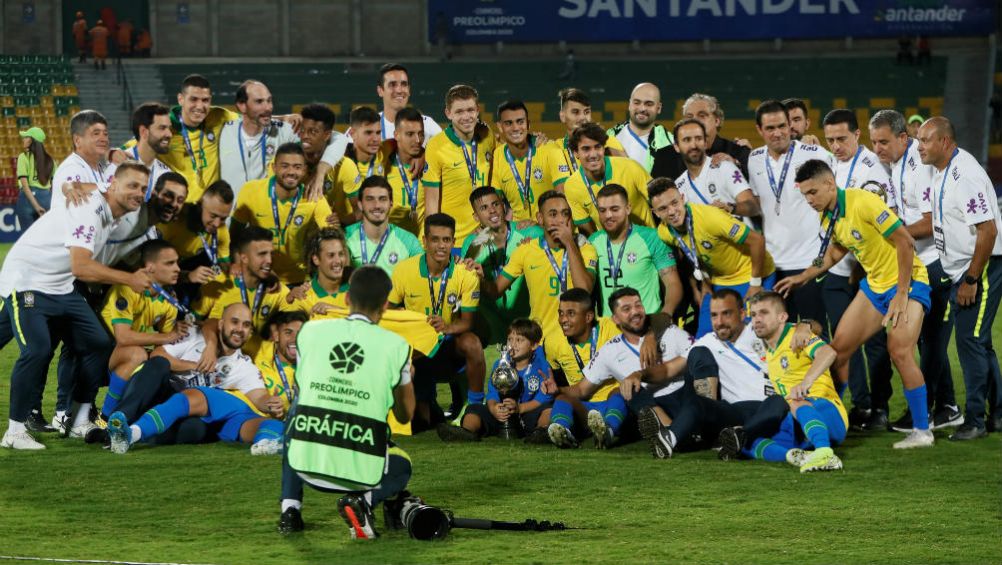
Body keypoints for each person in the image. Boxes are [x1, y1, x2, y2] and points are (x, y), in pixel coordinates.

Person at [775, 159, 934, 449]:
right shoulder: (828, 214)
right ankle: (830, 416)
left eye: (812, 192)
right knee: (837, 350)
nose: (809, 200)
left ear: (829, 184)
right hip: (875, 288)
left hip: (908, 284)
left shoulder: (864, 203)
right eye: (804, 195)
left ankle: (922, 430)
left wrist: (901, 292)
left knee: (899, 351)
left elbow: (905, 242)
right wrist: (804, 276)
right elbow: (835, 252)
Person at [0, 162, 152, 450]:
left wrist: (78, 185)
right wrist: (129, 278)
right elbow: (81, 266)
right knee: (37, 349)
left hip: (59, 286)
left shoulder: (110, 210)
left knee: (96, 342)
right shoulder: (90, 211)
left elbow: (96, 190)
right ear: (114, 186)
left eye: (143, 188)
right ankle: (15, 431)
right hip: (28, 280)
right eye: (132, 185)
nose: (139, 193)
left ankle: (79, 419)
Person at [278, 266, 417, 539]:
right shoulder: (396, 346)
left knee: (297, 411)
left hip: (305, 463)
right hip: (358, 467)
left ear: (345, 299)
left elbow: (304, 387)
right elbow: (405, 415)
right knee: (402, 464)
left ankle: (290, 509)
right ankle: (363, 501)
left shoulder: (309, 333)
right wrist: (404, 380)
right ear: (385, 305)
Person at [869, 109, 961, 430]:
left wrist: (894, 233)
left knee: (929, 342)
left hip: (936, 264)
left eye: (883, 142)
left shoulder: (916, 168)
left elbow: (929, 221)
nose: (877, 149)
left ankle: (932, 405)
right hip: (921, 262)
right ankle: (947, 406)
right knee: (925, 342)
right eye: (874, 142)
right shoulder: (896, 164)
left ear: (903, 138)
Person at [106, 302, 285, 455]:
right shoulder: (193, 335)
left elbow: (259, 396)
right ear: (221, 324)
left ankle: (129, 435)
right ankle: (119, 420)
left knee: (196, 430)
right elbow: (157, 355)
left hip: (189, 409)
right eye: (235, 322)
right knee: (158, 365)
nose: (240, 329)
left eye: (246, 325)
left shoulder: (243, 366)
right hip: (161, 393)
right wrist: (193, 365)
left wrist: (270, 404)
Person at [919, 117, 1002, 439]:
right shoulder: (942, 170)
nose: (920, 146)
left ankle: (975, 421)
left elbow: (988, 230)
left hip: (978, 268)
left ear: (945, 142)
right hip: (960, 268)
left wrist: (970, 279)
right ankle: (996, 413)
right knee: (981, 343)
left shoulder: (964, 174)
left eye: (925, 140)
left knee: (970, 343)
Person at [821, 108, 895, 431]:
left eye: (841, 138)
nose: (836, 145)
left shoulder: (873, 170)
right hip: (838, 271)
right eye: (830, 140)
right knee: (843, 341)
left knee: (876, 344)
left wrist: (863, 270)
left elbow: (884, 226)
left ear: (856, 135)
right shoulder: (831, 166)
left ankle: (880, 407)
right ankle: (858, 404)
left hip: (869, 272)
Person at [644, 290, 784, 460]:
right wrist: (638, 375)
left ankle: (739, 436)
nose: (719, 322)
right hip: (735, 411)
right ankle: (669, 440)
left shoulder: (759, 331)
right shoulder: (709, 341)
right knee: (698, 400)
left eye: (726, 314)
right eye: (714, 316)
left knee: (780, 400)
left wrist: (806, 326)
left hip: (767, 407)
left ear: (741, 314)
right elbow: (668, 370)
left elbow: (801, 329)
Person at [561, 287, 692, 449]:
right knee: (628, 387)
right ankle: (669, 430)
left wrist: (651, 336)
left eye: (638, 305)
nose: (635, 312)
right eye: (626, 309)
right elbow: (582, 389)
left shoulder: (668, 331)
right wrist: (556, 391)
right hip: (652, 404)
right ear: (615, 319)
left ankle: (674, 434)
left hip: (684, 395)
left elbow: (697, 353)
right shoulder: (610, 350)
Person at [388, 214, 484, 428]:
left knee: (472, 343)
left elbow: (468, 322)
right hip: (417, 352)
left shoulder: (466, 273)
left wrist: (447, 327)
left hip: (448, 347)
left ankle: (476, 406)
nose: (441, 246)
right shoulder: (404, 270)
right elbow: (389, 313)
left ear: (453, 242)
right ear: (424, 241)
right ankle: (425, 404)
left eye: (447, 240)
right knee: (422, 421)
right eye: (435, 239)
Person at [482, 190, 598, 365]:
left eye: (565, 214)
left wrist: (569, 243)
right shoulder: (526, 250)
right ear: (540, 218)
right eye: (553, 214)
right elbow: (496, 290)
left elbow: (584, 290)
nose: (560, 220)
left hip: (579, 343)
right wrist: (479, 277)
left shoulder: (585, 249)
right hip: (541, 344)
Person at [746, 100, 835, 324]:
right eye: (770, 128)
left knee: (813, 332)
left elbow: (836, 198)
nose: (778, 133)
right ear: (759, 130)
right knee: (778, 334)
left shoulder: (815, 154)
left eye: (782, 126)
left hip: (809, 261)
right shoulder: (754, 159)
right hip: (772, 266)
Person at [649, 178, 774, 337]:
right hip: (719, 280)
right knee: (704, 339)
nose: (672, 212)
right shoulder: (664, 233)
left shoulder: (711, 218)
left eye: (674, 203)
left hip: (752, 274)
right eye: (663, 208)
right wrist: (705, 283)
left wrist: (756, 283)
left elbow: (757, 240)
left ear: (682, 198)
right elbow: (695, 253)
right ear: (656, 212)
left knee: (751, 336)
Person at [745, 292, 847, 473]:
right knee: (749, 442)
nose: (757, 319)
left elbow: (828, 353)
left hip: (828, 412)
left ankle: (825, 453)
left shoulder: (797, 335)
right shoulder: (769, 350)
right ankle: (795, 456)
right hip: (797, 422)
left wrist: (806, 383)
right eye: (753, 315)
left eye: (764, 313)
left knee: (796, 402)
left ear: (782, 317)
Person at [98, 240, 189, 419]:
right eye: (170, 263)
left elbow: (166, 344)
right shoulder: (126, 289)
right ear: (150, 267)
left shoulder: (169, 300)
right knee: (136, 354)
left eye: (177, 262)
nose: (177, 268)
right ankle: (106, 416)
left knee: (160, 359)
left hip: (139, 354)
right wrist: (166, 337)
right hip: (105, 356)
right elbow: (123, 337)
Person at [233, 143, 337, 284]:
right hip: (259, 275)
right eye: (285, 166)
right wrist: (235, 262)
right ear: (274, 167)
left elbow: (333, 237)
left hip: (298, 280)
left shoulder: (313, 197)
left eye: (297, 167)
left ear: (305, 170)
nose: (291, 172)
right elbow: (234, 235)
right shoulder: (250, 190)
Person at [437, 318, 554, 442]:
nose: (512, 344)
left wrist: (520, 408)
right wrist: (493, 408)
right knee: (474, 409)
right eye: (510, 339)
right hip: (501, 416)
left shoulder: (542, 366)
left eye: (519, 340)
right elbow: (492, 393)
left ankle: (541, 432)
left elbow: (545, 397)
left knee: (547, 409)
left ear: (534, 345)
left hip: (526, 414)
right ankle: (466, 432)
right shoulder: (501, 364)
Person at [192, 226, 298, 357]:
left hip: (256, 362)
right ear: (244, 258)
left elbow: (296, 326)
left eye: (271, 254)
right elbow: (192, 322)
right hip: (215, 357)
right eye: (262, 254)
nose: (269, 261)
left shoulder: (277, 290)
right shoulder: (217, 283)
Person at [461, 186, 542, 344]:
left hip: (531, 319)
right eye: (484, 208)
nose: (492, 211)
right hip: (493, 324)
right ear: (476, 217)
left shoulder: (530, 233)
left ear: (503, 206)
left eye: (495, 204)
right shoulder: (472, 244)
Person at [589, 184, 682, 317]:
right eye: (602, 210)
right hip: (610, 329)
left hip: (647, 325)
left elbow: (672, 283)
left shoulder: (652, 238)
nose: (608, 215)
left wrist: (665, 314)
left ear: (628, 208)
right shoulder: (593, 242)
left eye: (614, 209)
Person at [422, 85, 496, 248]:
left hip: (485, 235)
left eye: (470, 110)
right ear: (448, 113)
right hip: (453, 240)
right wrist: (435, 240)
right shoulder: (436, 146)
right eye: (459, 111)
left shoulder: (487, 135)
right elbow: (432, 201)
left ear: (477, 110)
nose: (466, 116)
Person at [562, 122, 653, 235]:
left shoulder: (630, 167)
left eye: (598, 147)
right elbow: (589, 233)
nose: (593, 154)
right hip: (612, 248)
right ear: (576, 152)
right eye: (586, 149)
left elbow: (659, 200)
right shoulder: (572, 186)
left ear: (603, 148)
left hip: (648, 241)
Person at [158, 178, 232, 299]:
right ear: (200, 205)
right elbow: (151, 268)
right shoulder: (172, 223)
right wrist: (188, 276)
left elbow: (225, 264)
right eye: (213, 216)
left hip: (180, 267)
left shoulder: (221, 230)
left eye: (223, 218)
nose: (217, 224)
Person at [672, 118, 760, 219]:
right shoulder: (678, 187)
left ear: (705, 143)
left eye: (698, 139)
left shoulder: (725, 168)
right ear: (676, 147)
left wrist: (730, 207)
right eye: (687, 140)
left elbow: (753, 206)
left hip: (741, 233)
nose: (693, 145)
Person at [492, 100, 563, 222]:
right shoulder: (498, 156)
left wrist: (538, 223)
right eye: (509, 123)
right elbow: (495, 203)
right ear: (500, 127)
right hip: (518, 232)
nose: (515, 128)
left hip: (550, 227)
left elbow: (563, 199)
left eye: (520, 122)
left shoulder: (549, 148)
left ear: (528, 124)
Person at [651, 93, 751, 180]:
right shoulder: (665, 156)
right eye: (689, 117)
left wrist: (736, 167)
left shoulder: (740, 153)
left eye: (702, 115)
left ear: (717, 121)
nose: (695, 121)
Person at [344, 176, 423, 276]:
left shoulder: (409, 242)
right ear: (360, 205)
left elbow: (422, 281)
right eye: (370, 199)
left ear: (391, 203)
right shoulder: (344, 238)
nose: (377, 205)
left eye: (382, 199)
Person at [297, 103, 360, 226]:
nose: (305, 136)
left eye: (313, 132)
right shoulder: (291, 165)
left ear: (327, 135)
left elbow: (361, 211)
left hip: (334, 234)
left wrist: (342, 221)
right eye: (303, 130)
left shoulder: (345, 166)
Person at [546, 88, 626, 176]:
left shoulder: (609, 141)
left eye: (586, 112)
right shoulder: (555, 148)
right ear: (562, 116)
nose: (582, 117)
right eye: (575, 112)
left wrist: (603, 145)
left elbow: (628, 172)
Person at [51, 110, 116, 211]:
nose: (103, 139)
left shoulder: (97, 167)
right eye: (96, 133)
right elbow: (69, 186)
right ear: (77, 140)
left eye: (105, 134)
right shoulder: (72, 168)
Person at [607, 83, 672, 172]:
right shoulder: (608, 138)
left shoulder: (670, 143)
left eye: (649, 104)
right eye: (637, 103)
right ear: (630, 104)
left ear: (659, 108)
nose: (642, 109)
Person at [254, 310, 307, 413]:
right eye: (288, 332)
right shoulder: (258, 348)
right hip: (249, 416)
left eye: (301, 333)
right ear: (277, 335)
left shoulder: (311, 369)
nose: (295, 339)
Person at [375, 63, 442, 142]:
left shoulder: (428, 126)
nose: (399, 90)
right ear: (380, 91)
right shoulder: (371, 126)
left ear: (409, 90)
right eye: (392, 84)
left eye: (404, 84)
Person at [294, 227, 352, 316]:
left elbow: (374, 322)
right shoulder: (303, 297)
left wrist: (335, 310)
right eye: (331, 255)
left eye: (341, 254)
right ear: (316, 259)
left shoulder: (358, 289)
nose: (338, 261)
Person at [385, 107, 426, 233]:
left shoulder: (431, 164)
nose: (417, 140)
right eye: (410, 134)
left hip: (422, 246)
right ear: (396, 135)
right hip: (392, 246)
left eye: (420, 134)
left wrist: (426, 153)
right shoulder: (383, 166)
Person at [126, 103, 174, 198]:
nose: (169, 134)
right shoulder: (118, 165)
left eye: (169, 128)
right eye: (162, 128)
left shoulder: (165, 173)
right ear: (144, 132)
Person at [15, 126, 55, 230]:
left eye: (26, 137)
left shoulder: (23, 157)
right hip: (47, 198)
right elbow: (55, 186)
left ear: (32, 140)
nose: (23, 139)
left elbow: (25, 186)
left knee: (27, 241)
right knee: (45, 239)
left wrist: (36, 207)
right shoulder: (50, 160)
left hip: (27, 200)